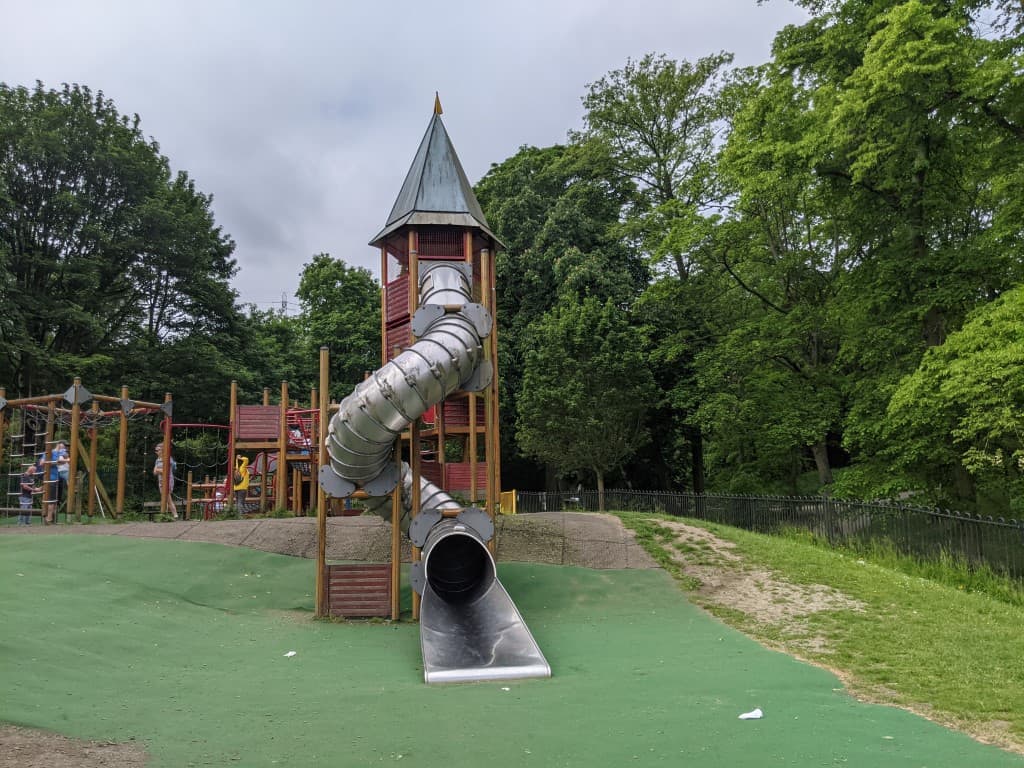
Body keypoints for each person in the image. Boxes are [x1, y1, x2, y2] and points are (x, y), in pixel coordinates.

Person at [152, 444, 179, 519]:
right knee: (165, 498)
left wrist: (158, 470)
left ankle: (174, 514)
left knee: (167, 497)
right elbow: (154, 472)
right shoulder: (157, 460)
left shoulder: (168, 458)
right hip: (160, 481)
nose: (156, 452)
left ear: (162, 450)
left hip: (168, 480)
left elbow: (166, 471)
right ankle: (167, 515)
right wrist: (159, 470)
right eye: (155, 450)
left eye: (157, 450)